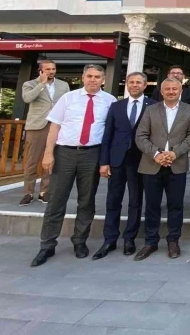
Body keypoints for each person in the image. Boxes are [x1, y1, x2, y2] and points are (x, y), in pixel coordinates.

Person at [30, 65, 115, 267]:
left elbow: (111, 131)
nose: (93, 80)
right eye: (89, 76)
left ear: (103, 79)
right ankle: (47, 245)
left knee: (87, 200)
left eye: (97, 77)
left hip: (92, 153)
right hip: (65, 153)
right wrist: (48, 153)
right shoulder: (68, 98)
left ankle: (80, 241)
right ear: (82, 78)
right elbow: (55, 126)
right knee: (56, 200)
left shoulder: (110, 101)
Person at [134, 78, 190, 261]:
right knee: (152, 205)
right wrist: (156, 154)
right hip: (152, 164)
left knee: (175, 205)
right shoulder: (150, 110)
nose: (171, 91)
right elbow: (140, 136)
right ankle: (150, 242)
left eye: (174, 89)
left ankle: (173, 241)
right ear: (161, 92)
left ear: (180, 91)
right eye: (167, 89)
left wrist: (174, 153)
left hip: (176, 164)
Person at [94, 72, 156, 260]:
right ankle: (109, 239)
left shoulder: (153, 106)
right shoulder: (116, 106)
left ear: (145, 85)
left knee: (135, 201)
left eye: (138, 82)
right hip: (117, 160)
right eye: (131, 82)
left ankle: (129, 238)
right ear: (127, 84)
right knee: (113, 200)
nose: (135, 85)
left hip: (140, 159)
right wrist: (104, 162)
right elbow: (107, 135)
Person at [20, 60, 70, 206]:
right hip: (37, 126)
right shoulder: (30, 84)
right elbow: (27, 98)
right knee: (32, 160)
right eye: (47, 69)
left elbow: (68, 104)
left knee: (51, 159)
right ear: (40, 70)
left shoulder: (63, 85)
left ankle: (44, 191)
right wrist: (42, 84)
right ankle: (28, 192)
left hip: (57, 126)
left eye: (53, 69)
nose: (51, 71)